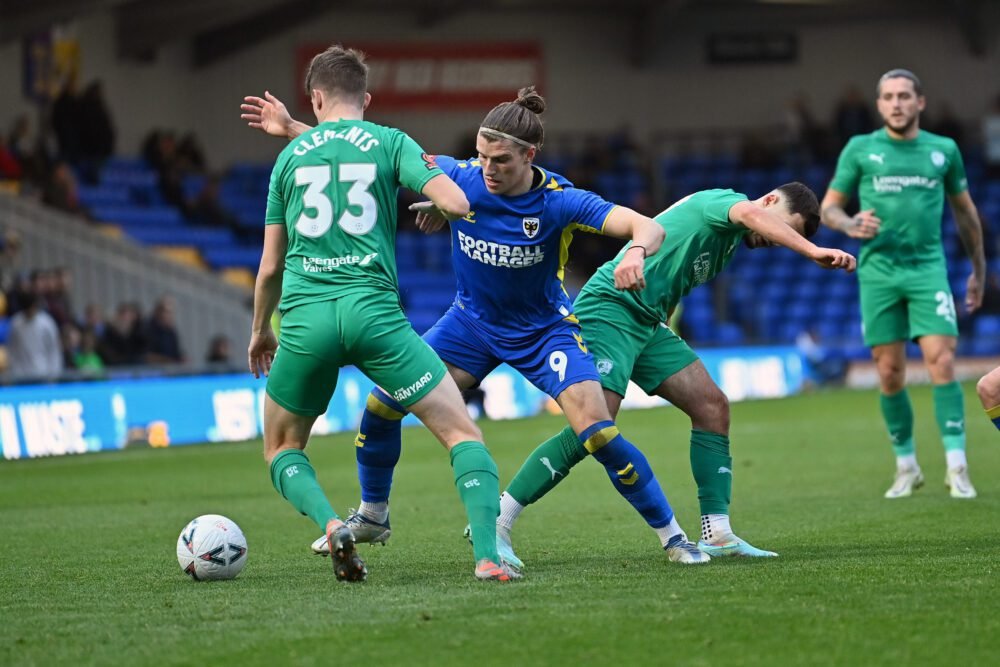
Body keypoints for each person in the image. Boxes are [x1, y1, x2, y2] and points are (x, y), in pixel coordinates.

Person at [243, 87, 718, 571]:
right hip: (470, 325)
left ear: (530, 155)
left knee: (596, 431)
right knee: (383, 403)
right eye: (481, 155)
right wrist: (294, 129)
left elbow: (649, 228)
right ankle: (372, 515)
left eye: (502, 160)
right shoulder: (461, 176)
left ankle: (673, 536)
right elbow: (373, 154)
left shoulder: (561, 201)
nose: (488, 168)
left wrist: (636, 252)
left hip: (543, 330)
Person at [246, 45, 514, 583]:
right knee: (463, 434)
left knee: (281, 446)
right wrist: (439, 203)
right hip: (376, 319)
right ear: (366, 98)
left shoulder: (289, 160)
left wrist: (258, 332)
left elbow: (270, 266)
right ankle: (488, 556)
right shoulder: (391, 143)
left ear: (316, 97)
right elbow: (460, 204)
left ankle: (330, 522)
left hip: (306, 320)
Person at [498, 184, 856, 566]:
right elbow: (751, 216)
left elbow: (673, 276)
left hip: (648, 324)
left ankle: (717, 532)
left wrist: (665, 327)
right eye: (786, 230)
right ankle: (499, 519)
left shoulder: (728, 244)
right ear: (768, 202)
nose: (777, 242)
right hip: (611, 308)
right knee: (595, 425)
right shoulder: (726, 203)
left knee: (712, 407)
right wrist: (814, 251)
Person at [820, 69, 986, 499]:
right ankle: (907, 466)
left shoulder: (943, 150)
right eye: (888, 97)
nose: (896, 103)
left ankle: (957, 465)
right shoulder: (860, 149)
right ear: (878, 105)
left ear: (920, 103)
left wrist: (979, 269)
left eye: (904, 96)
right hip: (877, 274)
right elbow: (829, 209)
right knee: (889, 372)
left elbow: (966, 214)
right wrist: (851, 222)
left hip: (927, 269)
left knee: (942, 362)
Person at [6, 292, 63, 381]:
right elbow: (12, 350)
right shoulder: (16, 324)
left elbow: (54, 350)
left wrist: (54, 375)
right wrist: (14, 372)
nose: (29, 312)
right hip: (21, 376)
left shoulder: (47, 324)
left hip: (43, 373)